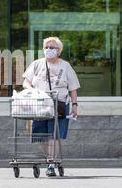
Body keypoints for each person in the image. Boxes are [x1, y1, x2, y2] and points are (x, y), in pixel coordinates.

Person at [22, 36, 80, 177]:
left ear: (59, 51)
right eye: (46, 47)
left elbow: (73, 88)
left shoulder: (65, 66)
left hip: (59, 104)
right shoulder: (37, 64)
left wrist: (75, 105)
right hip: (40, 104)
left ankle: (51, 163)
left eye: (52, 47)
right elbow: (26, 82)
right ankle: (50, 159)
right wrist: (31, 90)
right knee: (40, 135)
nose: (48, 49)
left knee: (54, 135)